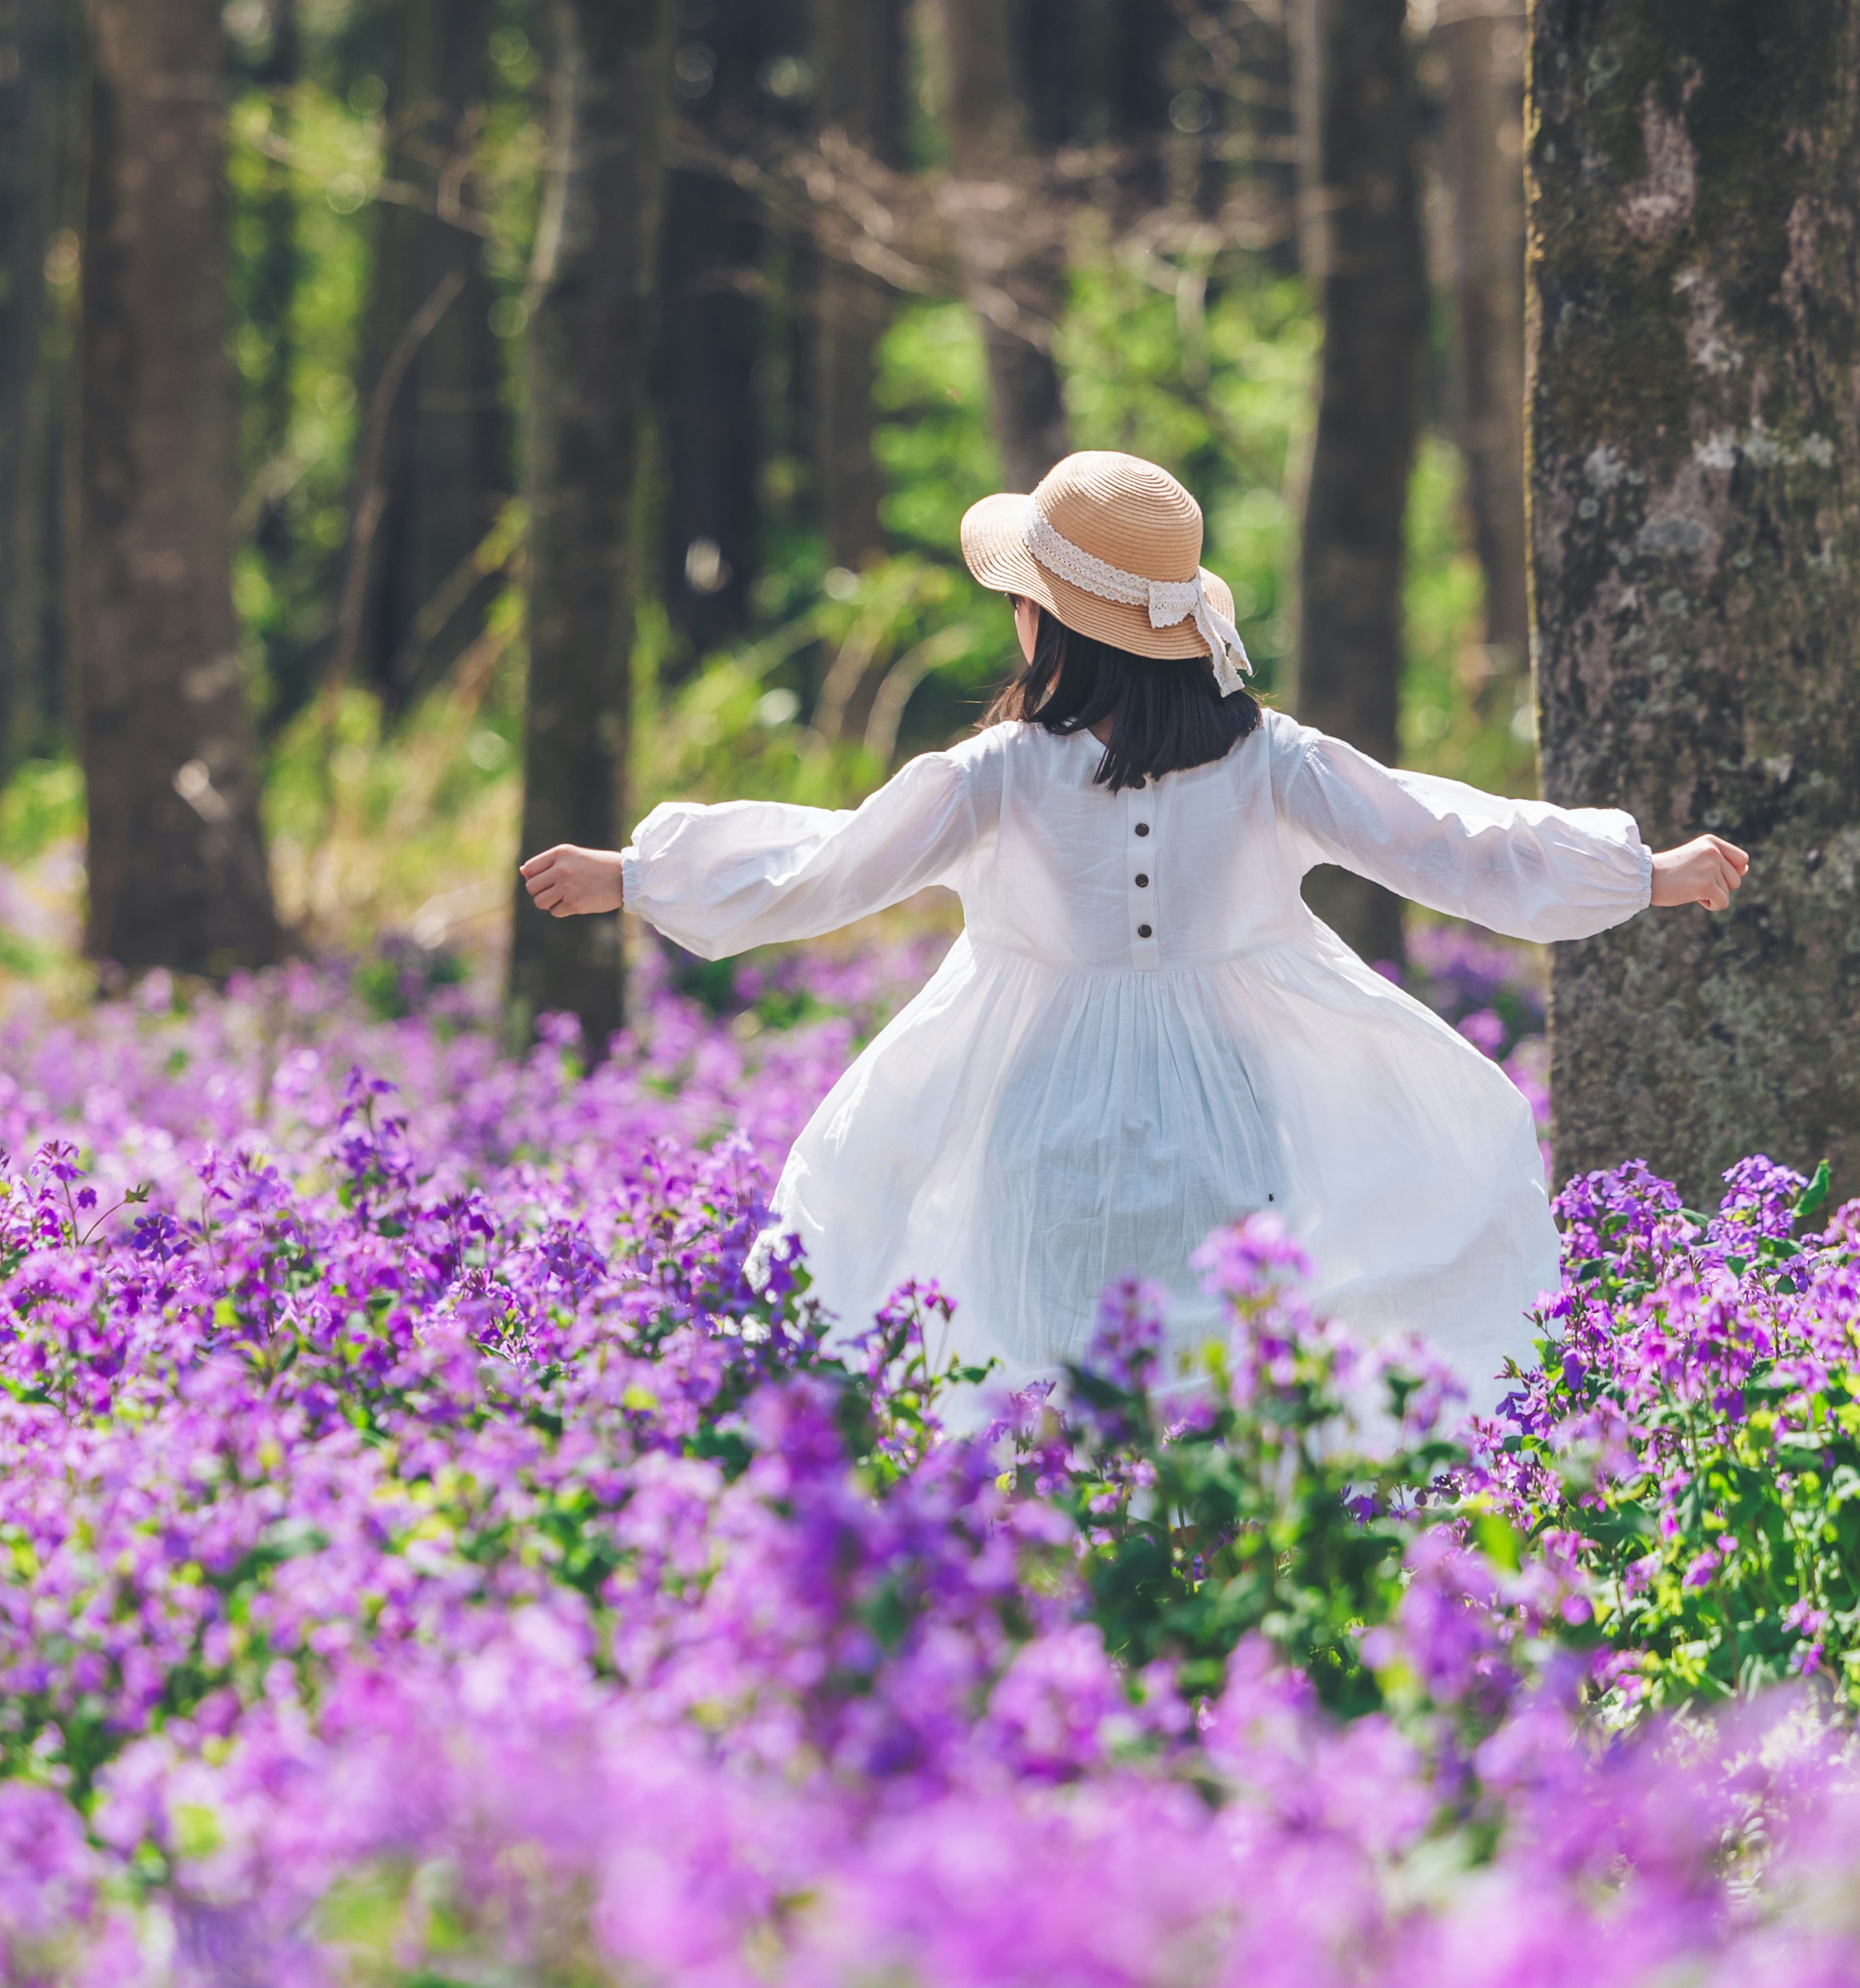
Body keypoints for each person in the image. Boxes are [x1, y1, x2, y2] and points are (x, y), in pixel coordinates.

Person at [522, 453, 1746, 1399]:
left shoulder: (996, 775)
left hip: (1039, 1120)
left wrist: (643, 874)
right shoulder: (1273, 763)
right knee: (1225, 1389)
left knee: (1042, 1380)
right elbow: (1453, 839)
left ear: (1047, 626)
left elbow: (828, 865)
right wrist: (1644, 871)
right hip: (1235, 1112)